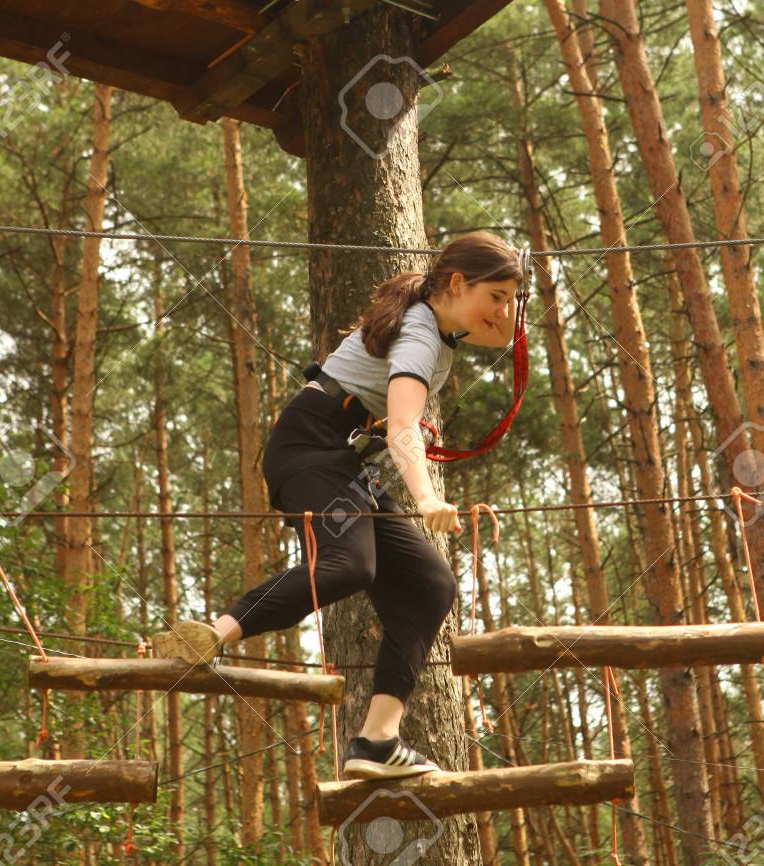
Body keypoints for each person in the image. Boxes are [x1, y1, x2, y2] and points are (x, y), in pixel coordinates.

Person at [151, 230, 521, 779]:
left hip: (342, 460)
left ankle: (376, 742)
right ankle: (211, 634)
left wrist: (508, 307)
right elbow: (402, 429)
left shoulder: (436, 325)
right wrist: (424, 497)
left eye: (512, 299)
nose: (505, 311)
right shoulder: (421, 334)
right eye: (497, 296)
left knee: (430, 586)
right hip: (310, 448)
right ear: (458, 283)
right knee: (349, 564)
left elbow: (502, 342)